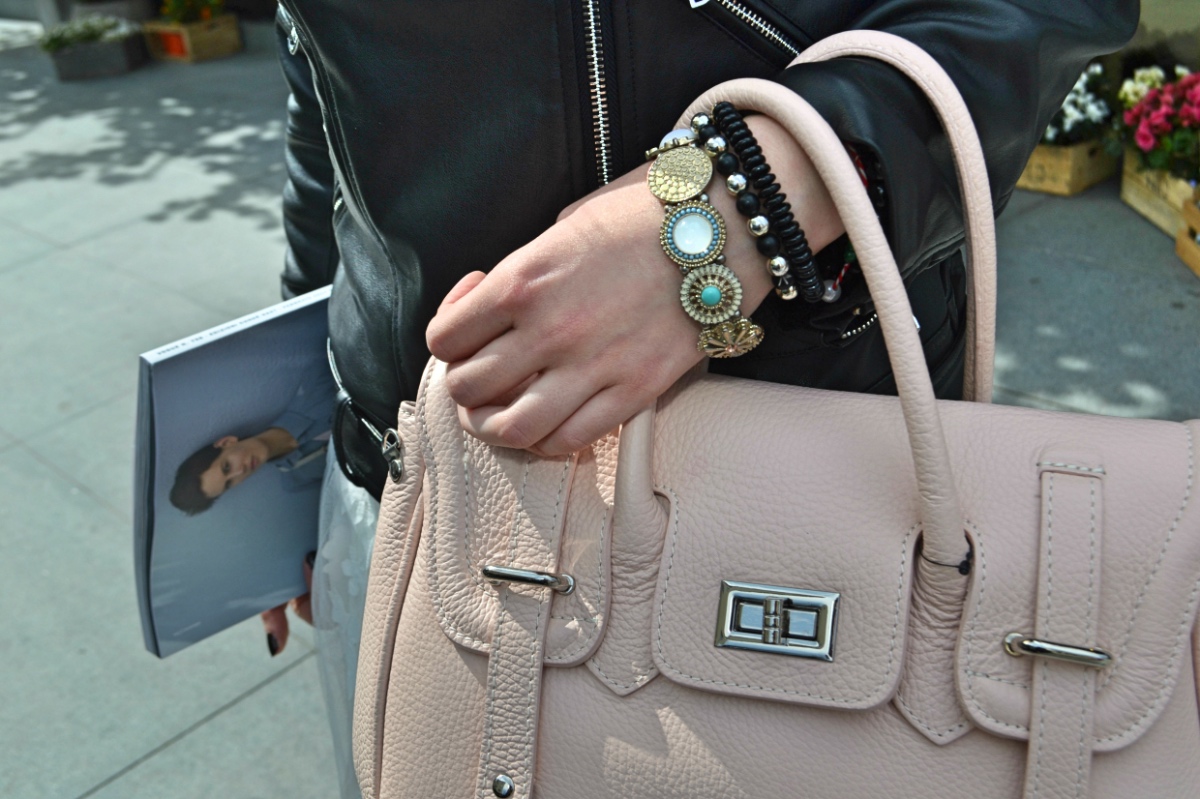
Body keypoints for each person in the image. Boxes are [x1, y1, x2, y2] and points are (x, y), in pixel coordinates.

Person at [268, 2, 1139, 796]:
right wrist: (283, 445)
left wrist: (752, 202)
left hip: (840, 502)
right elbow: (318, 89)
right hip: (420, 487)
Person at [168, 359, 336, 515]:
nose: (240, 472)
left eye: (227, 467)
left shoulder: (314, 389)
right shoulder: (297, 478)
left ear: (227, 442)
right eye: (229, 483)